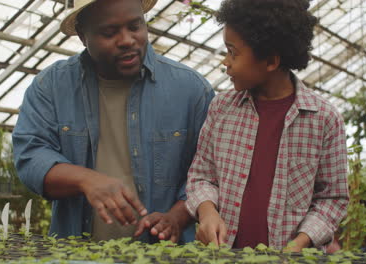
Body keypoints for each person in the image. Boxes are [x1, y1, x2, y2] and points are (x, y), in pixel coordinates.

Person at [12, 0, 214, 243]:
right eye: (109, 32)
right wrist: (86, 179)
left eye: (135, 26)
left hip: (164, 256)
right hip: (76, 254)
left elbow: (209, 172)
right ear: (82, 36)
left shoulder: (190, 90)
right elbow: (30, 156)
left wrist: (176, 217)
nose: (127, 40)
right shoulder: (52, 87)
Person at [185, 0, 349, 251]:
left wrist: (300, 243)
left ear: (271, 61)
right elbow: (201, 176)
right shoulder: (222, 109)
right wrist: (207, 212)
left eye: (233, 52)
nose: (225, 62)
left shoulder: (323, 119)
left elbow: (332, 199)